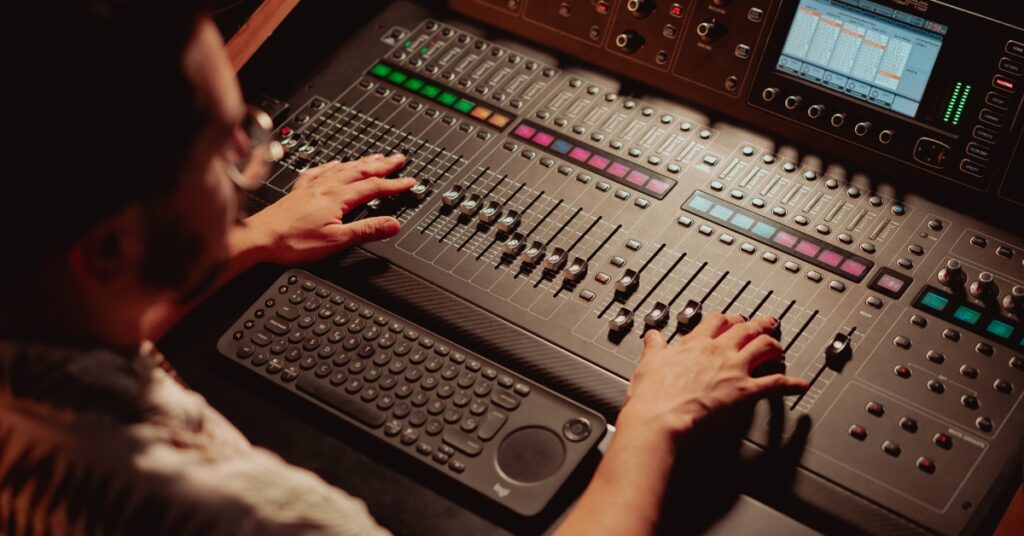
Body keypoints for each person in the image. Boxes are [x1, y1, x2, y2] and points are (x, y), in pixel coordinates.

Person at [0, 2, 809, 534]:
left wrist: (247, 238)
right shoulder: (251, 515)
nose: (263, 158)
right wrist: (652, 424)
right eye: (228, 148)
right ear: (111, 250)